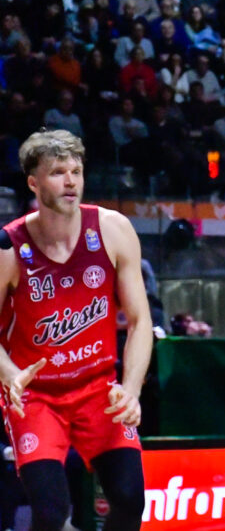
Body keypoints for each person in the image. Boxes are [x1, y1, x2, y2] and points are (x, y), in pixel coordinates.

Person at [0, 130, 152, 530]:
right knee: (52, 513)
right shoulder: (9, 247)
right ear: (33, 182)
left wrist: (132, 391)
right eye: (57, 172)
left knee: (130, 498)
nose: (70, 181)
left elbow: (139, 321)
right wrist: (11, 374)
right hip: (36, 395)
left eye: (76, 171)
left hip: (98, 387)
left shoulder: (113, 229)